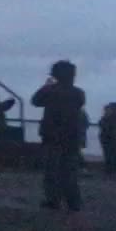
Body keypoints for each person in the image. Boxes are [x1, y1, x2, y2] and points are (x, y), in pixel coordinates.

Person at [31, 60, 86, 212]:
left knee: (51, 171)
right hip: (72, 136)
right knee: (70, 171)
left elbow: (35, 101)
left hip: (52, 135)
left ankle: (53, 200)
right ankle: (73, 202)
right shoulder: (78, 93)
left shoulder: (50, 91)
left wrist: (47, 85)